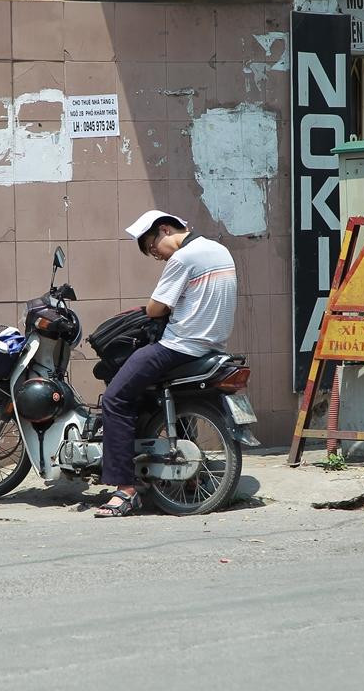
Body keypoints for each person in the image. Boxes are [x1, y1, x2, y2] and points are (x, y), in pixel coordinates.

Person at [93, 210, 238, 518]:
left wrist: (151, 308)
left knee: (115, 399)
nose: (156, 256)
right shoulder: (219, 250)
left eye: (153, 249)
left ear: (164, 230)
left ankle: (124, 490)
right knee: (158, 394)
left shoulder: (184, 258)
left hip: (179, 346)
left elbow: (155, 308)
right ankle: (189, 476)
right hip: (211, 347)